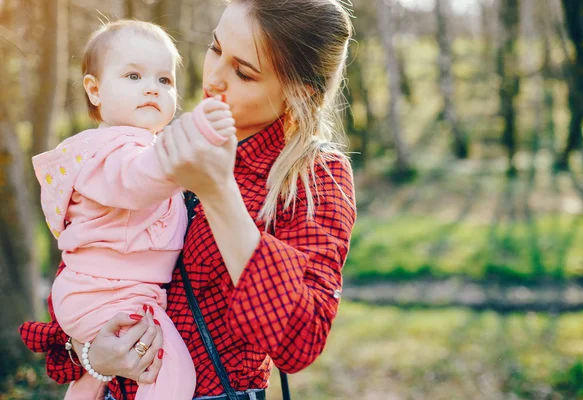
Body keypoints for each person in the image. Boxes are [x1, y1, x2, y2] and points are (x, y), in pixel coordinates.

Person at [20, 1, 357, 399]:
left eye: (243, 72)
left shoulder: (314, 176)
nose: (213, 78)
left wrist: (218, 192)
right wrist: (90, 353)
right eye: (215, 48)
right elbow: (91, 265)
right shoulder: (155, 141)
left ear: (297, 92)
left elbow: (299, 340)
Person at [29, 20, 235, 400]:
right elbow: (137, 180)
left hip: (111, 291)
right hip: (107, 292)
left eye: (164, 80)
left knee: (101, 375)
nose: (152, 89)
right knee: (171, 371)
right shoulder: (110, 150)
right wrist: (196, 142)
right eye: (134, 75)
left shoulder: (139, 146)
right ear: (95, 90)